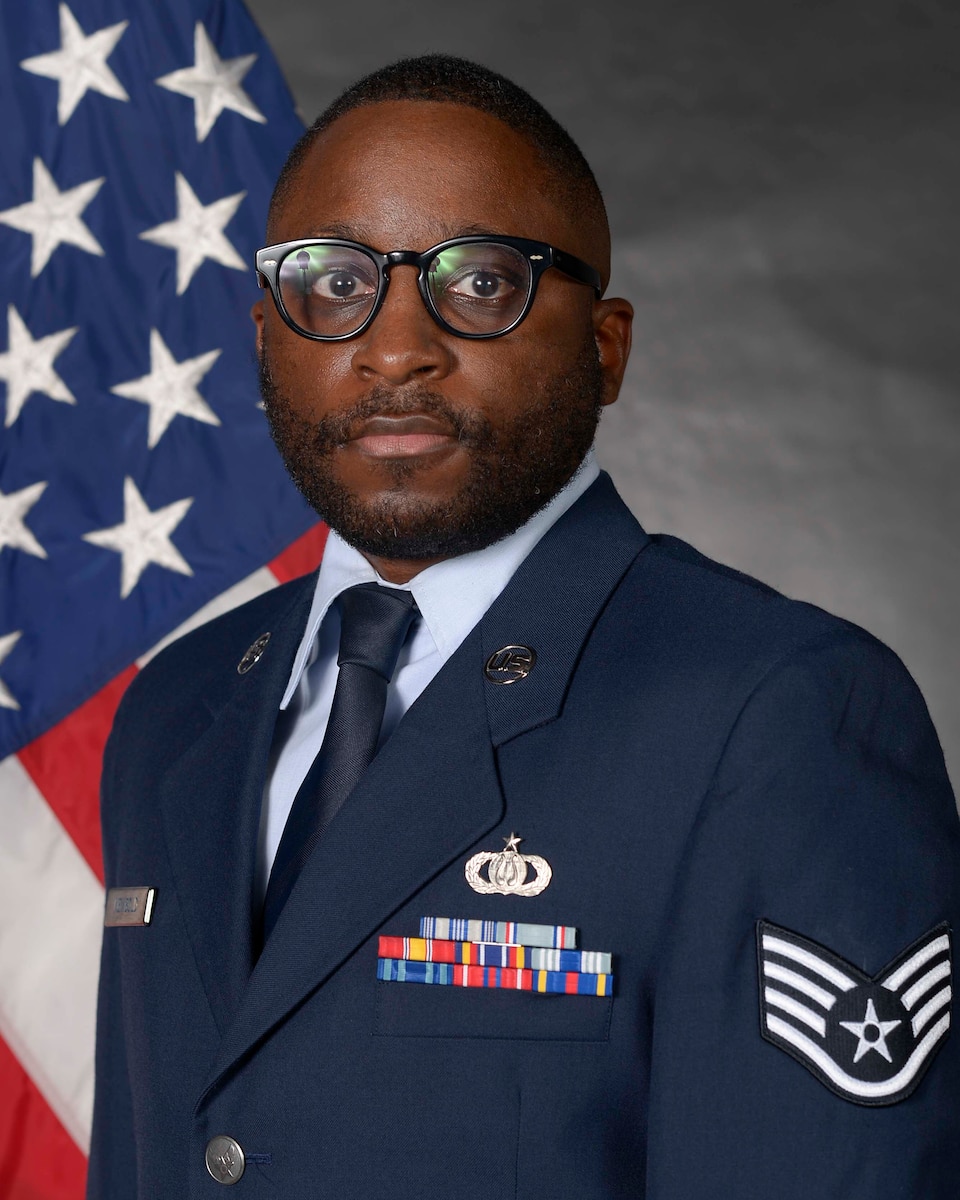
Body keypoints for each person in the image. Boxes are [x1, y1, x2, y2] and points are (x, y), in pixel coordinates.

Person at [87, 55, 960, 1198]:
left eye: (482, 282)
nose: (396, 347)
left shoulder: (776, 714)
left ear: (606, 348)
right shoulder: (177, 707)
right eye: (334, 282)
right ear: (266, 335)